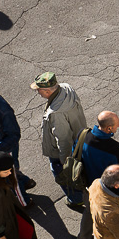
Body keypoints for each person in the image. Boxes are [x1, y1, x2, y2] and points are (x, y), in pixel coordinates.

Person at [75, 111, 119, 239]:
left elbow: (75, 153)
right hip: (108, 187)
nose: (117, 128)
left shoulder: (83, 134)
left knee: (90, 210)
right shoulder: (115, 148)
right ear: (108, 129)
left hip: (87, 184)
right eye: (116, 126)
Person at [31, 72, 87, 207]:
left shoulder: (56, 113)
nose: (38, 93)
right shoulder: (66, 88)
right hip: (80, 139)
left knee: (65, 177)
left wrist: (65, 163)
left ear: (48, 91)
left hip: (63, 152)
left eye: (39, 90)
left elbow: (63, 140)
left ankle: (76, 199)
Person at [0, 92, 37, 201]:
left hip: (6, 150)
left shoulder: (3, 110)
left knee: (10, 177)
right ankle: (25, 181)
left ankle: (24, 202)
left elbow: (13, 136)